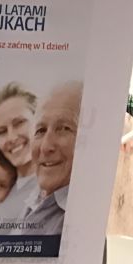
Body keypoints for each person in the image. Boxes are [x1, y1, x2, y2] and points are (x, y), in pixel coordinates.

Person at [0, 83, 40, 231]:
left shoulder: (49, 186)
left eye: (19, 123)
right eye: (2, 131)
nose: (11, 137)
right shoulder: (8, 184)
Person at [21, 80, 81, 236]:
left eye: (64, 128)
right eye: (40, 130)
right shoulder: (31, 197)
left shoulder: (81, 220)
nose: (46, 147)